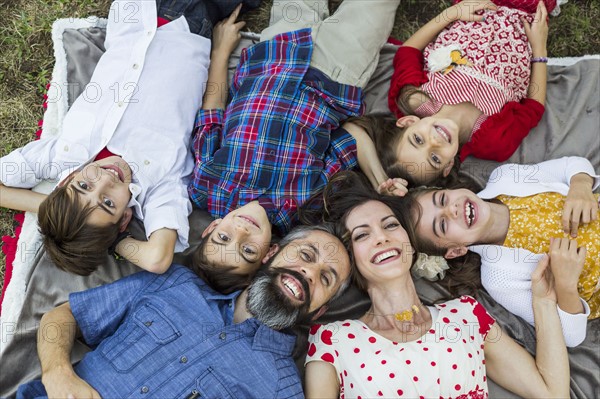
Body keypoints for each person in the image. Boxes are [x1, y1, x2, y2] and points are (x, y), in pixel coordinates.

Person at [0, 0, 259, 275]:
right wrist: (109, 239)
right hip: (190, 26)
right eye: (108, 203)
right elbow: (157, 259)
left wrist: (55, 209)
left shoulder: (63, 155)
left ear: (64, 182)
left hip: (136, 14)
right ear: (124, 219)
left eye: (83, 187)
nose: (105, 180)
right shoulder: (159, 187)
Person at [304, 172, 570, 398]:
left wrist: (544, 302)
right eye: (363, 234)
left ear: (410, 243)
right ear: (351, 261)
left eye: (391, 225)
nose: (382, 238)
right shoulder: (332, 340)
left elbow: (552, 393)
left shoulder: (467, 315)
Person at [189, 0, 402, 276]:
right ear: (269, 253)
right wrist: (379, 180)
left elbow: (212, 113)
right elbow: (351, 137)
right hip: (336, 73)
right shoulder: (303, 209)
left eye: (224, 238)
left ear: (211, 228)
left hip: (274, 55)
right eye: (248, 250)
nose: (240, 232)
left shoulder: (206, 186)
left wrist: (220, 51)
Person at [15, 224, 351, 398]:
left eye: (326, 278)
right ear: (270, 254)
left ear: (318, 311)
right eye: (306, 256)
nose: (309, 273)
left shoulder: (283, 389)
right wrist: (57, 372)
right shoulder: (174, 284)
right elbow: (63, 316)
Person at [347, 0, 550, 187]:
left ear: (408, 122)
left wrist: (451, 13)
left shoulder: (415, 98)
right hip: (523, 23)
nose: (434, 142)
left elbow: (408, 51)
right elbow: (533, 109)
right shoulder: (493, 142)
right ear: (448, 166)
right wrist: (539, 48)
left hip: (476, 9)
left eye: (418, 140)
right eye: (435, 158)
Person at [405, 156, 599, 347]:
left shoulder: (505, 177)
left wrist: (580, 186)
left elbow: (571, 165)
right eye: (442, 224)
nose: (451, 210)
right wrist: (566, 285)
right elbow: (570, 336)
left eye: (442, 199)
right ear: (456, 250)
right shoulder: (500, 279)